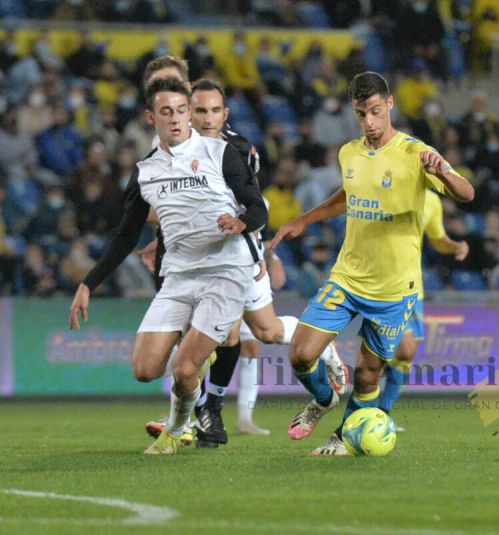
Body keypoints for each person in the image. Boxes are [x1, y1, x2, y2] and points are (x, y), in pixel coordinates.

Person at [270, 72, 474, 455]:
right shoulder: (349, 152)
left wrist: (442, 170)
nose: (371, 122)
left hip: (394, 289)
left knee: (367, 373)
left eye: (376, 112)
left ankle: (344, 436)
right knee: (300, 353)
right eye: (362, 114)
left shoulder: (416, 152)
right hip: (348, 278)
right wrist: (302, 220)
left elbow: (467, 192)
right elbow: (345, 197)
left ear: (390, 104)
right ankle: (324, 399)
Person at [68, 77, 268, 455]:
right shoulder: (146, 171)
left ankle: (175, 430)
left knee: (184, 369)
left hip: (225, 271)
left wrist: (242, 224)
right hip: (178, 275)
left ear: (189, 113)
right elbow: (126, 236)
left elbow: (257, 207)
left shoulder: (220, 153)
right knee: (145, 369)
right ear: (150, 117)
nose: (176, 119)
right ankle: (196, 363)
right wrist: (88, 284)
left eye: (181, 110)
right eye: (166, 112)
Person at [143, 78, 347, 445]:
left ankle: (196, 413)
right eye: (200, 110)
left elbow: (251, 205)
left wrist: (266, 253)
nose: (207, 119)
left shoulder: (237, 149)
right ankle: (200, 413)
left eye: (214, 110)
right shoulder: (170, 149)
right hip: (202, 262)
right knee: (227, 333)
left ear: (225, 113)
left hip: (240, 255)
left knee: (260, 332)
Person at [377, 188, 469, 430]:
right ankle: (371, 412)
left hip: (412, 286)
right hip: (379, 283)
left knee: (406, 353)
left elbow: (437, 239)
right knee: (393, 349)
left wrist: (455, 246)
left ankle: (381, 413)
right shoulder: (386, 191)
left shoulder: (431, 200)